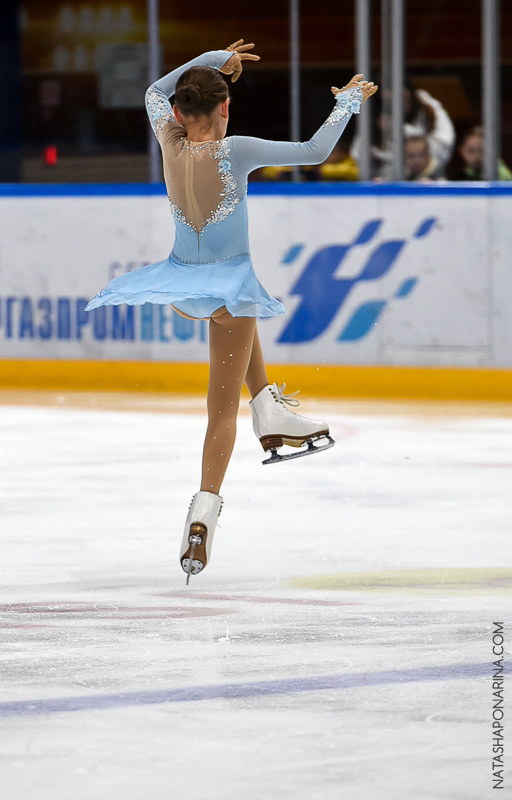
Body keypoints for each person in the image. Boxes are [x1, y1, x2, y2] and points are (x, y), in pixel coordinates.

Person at [85, 40, 378, 582]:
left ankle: (268, 410)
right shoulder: (236, 150)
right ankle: (204, 511)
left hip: (184, 285)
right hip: (230, 287)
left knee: (232, 381)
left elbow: (153, 90)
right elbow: (315, 152)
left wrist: (216, 57)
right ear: (226, 109)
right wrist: (348, 102)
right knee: (222, 412)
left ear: (179, 112)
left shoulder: (169, 142)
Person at [351, 83, 454, 179]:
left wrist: (399, 130)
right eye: (411, 156)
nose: (416, 161)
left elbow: (444, 144)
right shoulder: (370, 128)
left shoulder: (425, 106)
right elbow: (356, 157)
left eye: (421, 155)